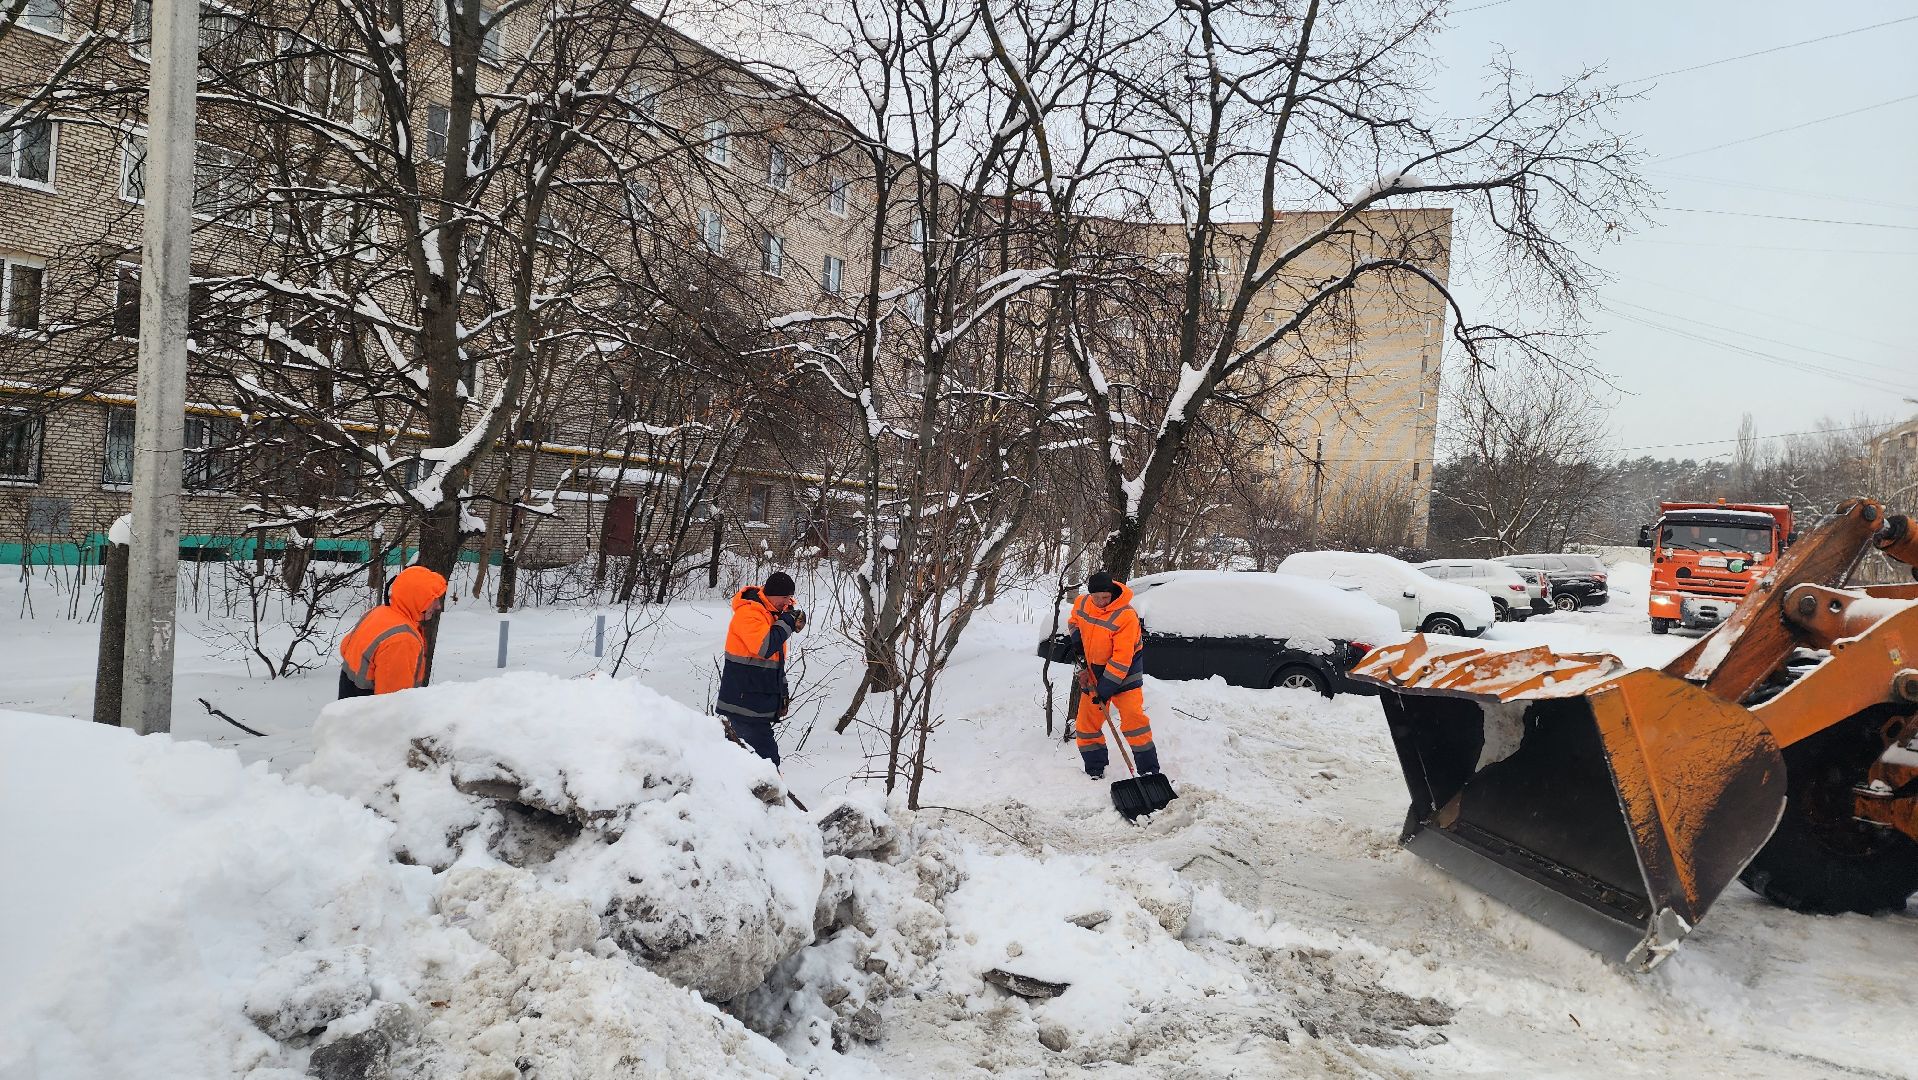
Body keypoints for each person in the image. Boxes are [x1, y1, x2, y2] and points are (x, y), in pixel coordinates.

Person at [1067, 571, 1161, 779]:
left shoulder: (1125, 615)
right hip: (1094, 672)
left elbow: (1121, 658)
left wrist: (1105, 689)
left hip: (1125, 674)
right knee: (1086, 725)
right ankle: (1095, 770)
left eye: (1106, 597)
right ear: (1089, 594)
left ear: (1112, 593)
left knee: (1134, 721)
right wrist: (1080, 651)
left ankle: (1149, 772)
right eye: (1096, 597)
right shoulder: (1082, 603)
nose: (1101, 602)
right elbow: (1074, 623)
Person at [717, 571, 806, 765]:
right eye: (784, 597)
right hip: (743, 704)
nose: (788, 602)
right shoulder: (749, 613)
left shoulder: (772, 615)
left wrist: (782, 695)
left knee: (747, 762)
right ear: (772, 594)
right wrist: (787, 622)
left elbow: (775, 663)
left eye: (790, 597)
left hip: (757, 702)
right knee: (766, 762)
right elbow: (764, 647)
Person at [337, 565, 448, 698]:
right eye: (433, 599)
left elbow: (345, 647)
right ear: (416, 599)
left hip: (350, 701)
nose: (438, 606)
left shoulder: (378, 612)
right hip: (368, 708)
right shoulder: (402, 639)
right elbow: (393, 700)